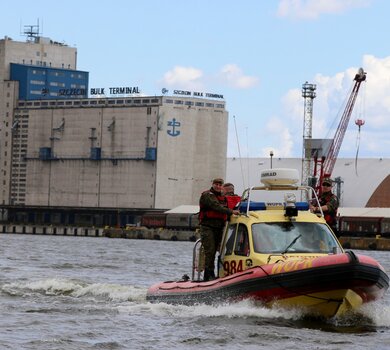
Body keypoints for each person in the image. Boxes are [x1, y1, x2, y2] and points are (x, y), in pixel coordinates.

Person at [199, 178, 240, 281]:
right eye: (216, 184)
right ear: (212, 185)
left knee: (223, 251)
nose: (218, 186)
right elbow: (216, 207)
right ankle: (208, 275)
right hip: (208, 227)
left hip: (220, 227)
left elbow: (232, 204)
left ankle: (220, 273)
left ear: (222, 186)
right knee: (210, 251)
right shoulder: (207, 195)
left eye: (220, 184)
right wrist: (231, 211)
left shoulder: (223, 197)